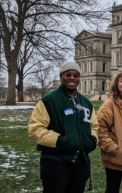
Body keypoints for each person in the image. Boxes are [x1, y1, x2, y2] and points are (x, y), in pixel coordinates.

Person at [28, 61, 99, 193]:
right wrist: (60, 141)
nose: (72, 78)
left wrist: (93, 140)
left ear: (79, 78)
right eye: (68, 74)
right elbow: (35, 129)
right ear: (61, 77)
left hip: (80, 163)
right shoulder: (49, 101)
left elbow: (94, 126)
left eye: (75, 75)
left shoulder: (85, 102)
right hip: (55, 162)